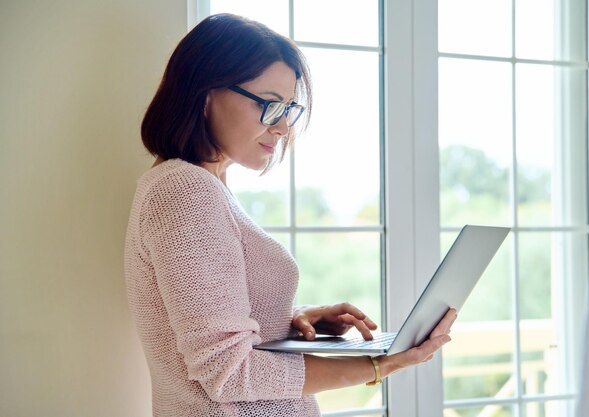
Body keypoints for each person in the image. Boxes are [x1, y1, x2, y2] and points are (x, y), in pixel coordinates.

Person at [124, 13, 457, 417]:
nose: (281, 127)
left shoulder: (206, 188)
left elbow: (214, 329)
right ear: (205, 92)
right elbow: (228, 373)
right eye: (267, 105)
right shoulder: (185, 190)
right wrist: (379, 365)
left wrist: (291, 320)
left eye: (288, 108)